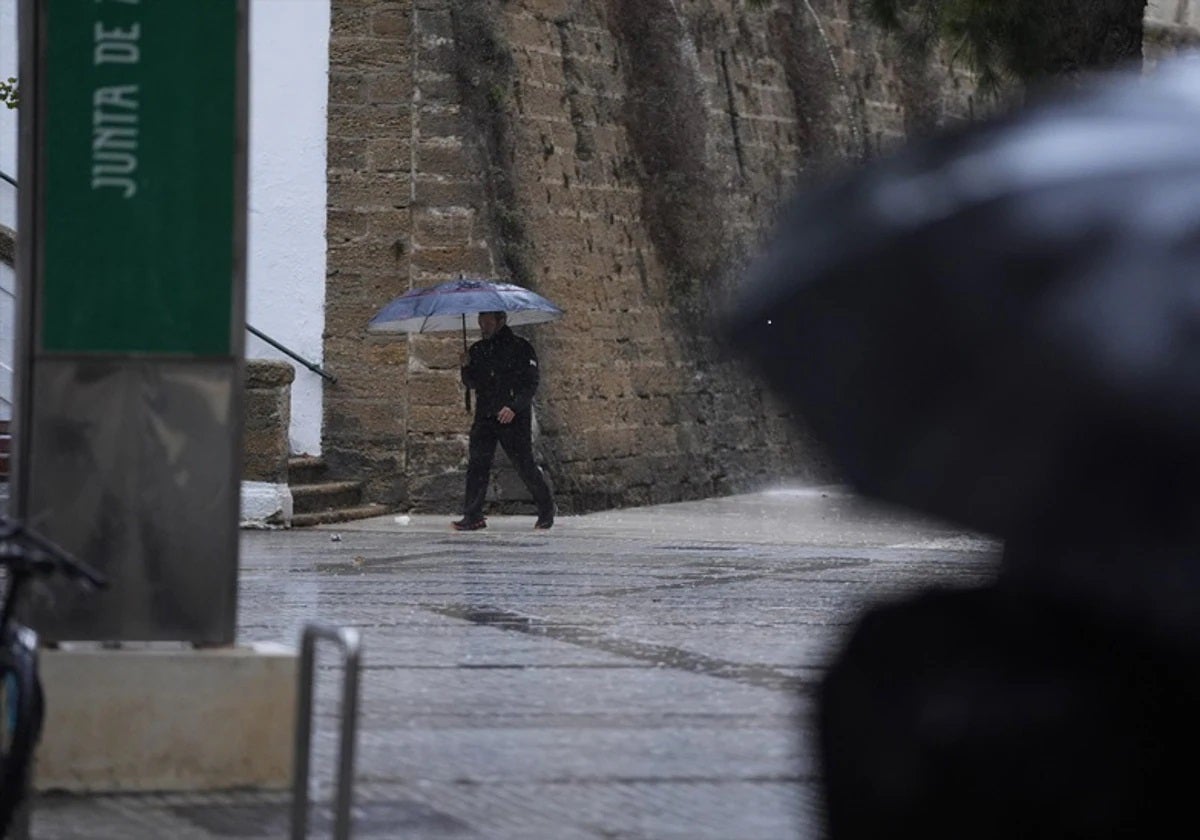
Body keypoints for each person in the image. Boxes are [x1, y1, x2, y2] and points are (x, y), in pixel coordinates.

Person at [453, 311, 555, 531]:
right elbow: (473, 382)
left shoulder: (521, 347)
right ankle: (473, 515)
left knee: (524, 464)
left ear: (500, 321)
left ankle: (546, 508)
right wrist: (465, 367)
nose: (483, 325)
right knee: (478, 465)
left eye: (487, 321)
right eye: (481, 320)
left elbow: (530, 383)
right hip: (485, 416)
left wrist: (514, 406)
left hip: (513, 417)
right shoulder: (478, 350)